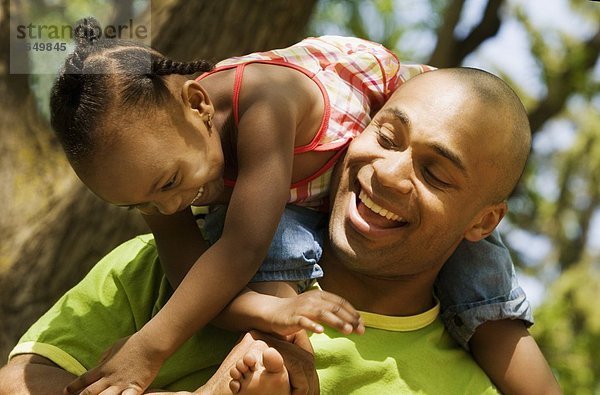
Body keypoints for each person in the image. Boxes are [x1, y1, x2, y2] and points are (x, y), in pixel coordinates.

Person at [0, 67, 561, 394]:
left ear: (484, 222)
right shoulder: (177, 263)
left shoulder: (471, 382)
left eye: (435, 172)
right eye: (387, 138)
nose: (388, 174)